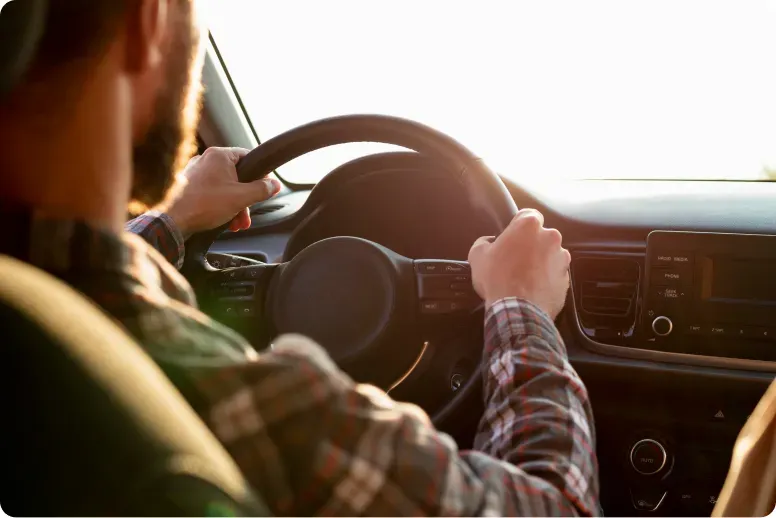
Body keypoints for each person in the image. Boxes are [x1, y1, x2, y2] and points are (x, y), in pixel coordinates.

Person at [0, 0, 598, 516]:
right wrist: (520, 307)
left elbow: (74, 270)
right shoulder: (241, 399)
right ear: (147, 22)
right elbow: (555, 505)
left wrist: (174, 218)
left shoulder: (34, 308)